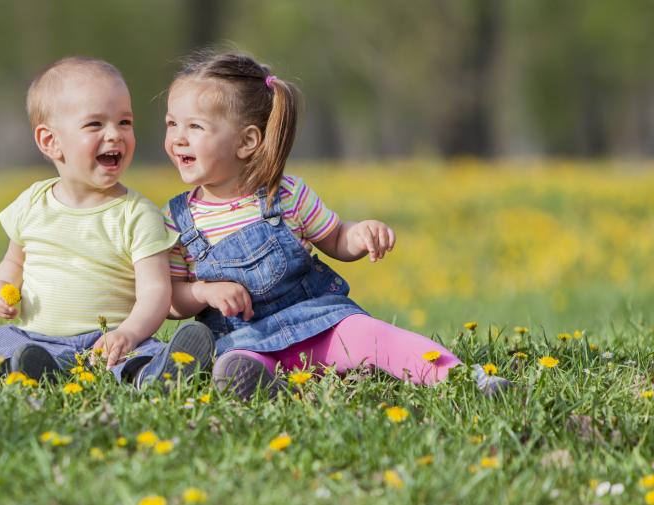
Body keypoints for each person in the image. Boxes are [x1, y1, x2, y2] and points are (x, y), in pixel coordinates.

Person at [161, 51, 507, 398]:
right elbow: (173, 300)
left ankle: (462, 378)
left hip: (320, 325)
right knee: (235, 364)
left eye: (195, 127)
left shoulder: (286, 196)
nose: (178, 138)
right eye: (171, 124)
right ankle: (272, 387)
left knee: (373, 334)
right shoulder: (177, 220)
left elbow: (336, 238)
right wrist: (204, 292)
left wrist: (360, 234)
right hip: (246, 339)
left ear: (246, 141)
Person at [0, 56, 214, 386]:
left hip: (108, 343)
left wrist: (128, 334)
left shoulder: (138, 214)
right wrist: (1, 287)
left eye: (124, 122)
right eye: (95, 125)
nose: (115, 135)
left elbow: (155, 291)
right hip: (36, 338)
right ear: (50, 141)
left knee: (140, 355)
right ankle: (30, 370)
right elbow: (13, 261)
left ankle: (156, 374)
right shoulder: (32, 202)